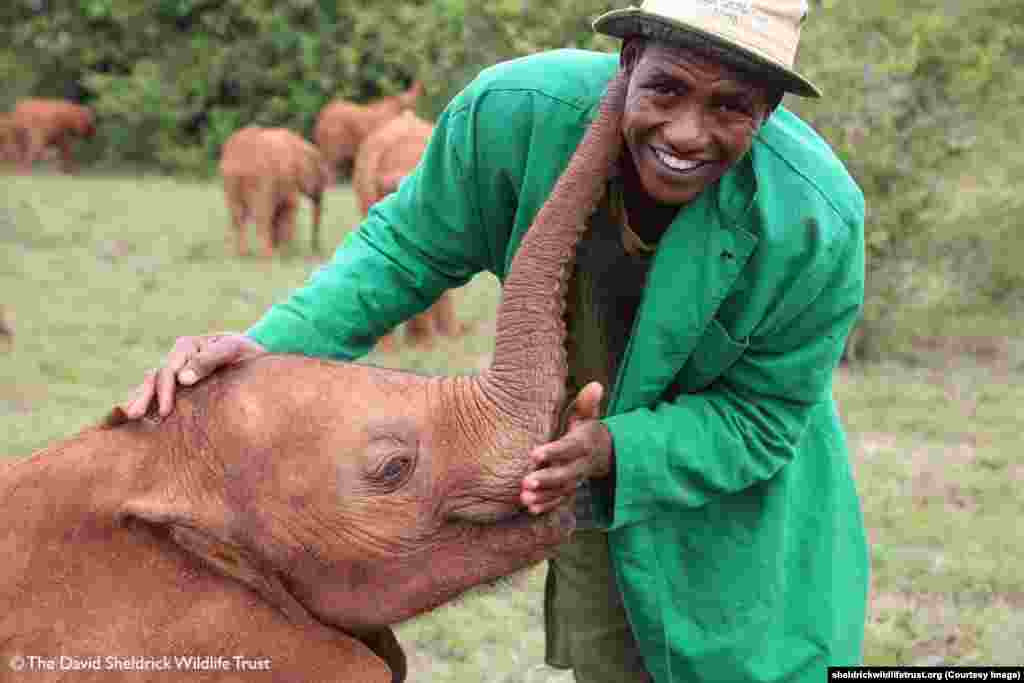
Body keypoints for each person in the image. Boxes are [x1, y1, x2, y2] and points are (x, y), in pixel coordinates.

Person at [122, 1, 869, 681]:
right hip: (591, 503)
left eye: (730, 107)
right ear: (628, 58)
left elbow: (762, 417)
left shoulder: (815, 220)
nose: (685, 132)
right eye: (666, 89)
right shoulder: (515, 117)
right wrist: (267, 348)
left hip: (741, 510)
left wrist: (618, 449)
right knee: (614, 660)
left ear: (769, 111)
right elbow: (403, 252)